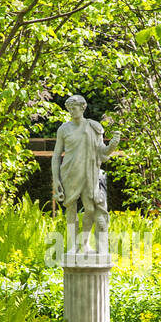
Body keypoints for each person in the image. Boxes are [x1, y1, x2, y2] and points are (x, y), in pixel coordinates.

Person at [51, 95, 120, 254]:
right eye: (69, 108)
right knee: (71, 210)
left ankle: (84, 242)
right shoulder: (64, 129)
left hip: (90, 174)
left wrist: (112, 145)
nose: (72, 111)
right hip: (69, 173)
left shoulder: (94, 127)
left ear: (83, 107)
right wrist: (56, 179)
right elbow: (56, 156)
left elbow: (102, 152)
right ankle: (74, 246)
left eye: (74, 108)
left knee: (90, 209)